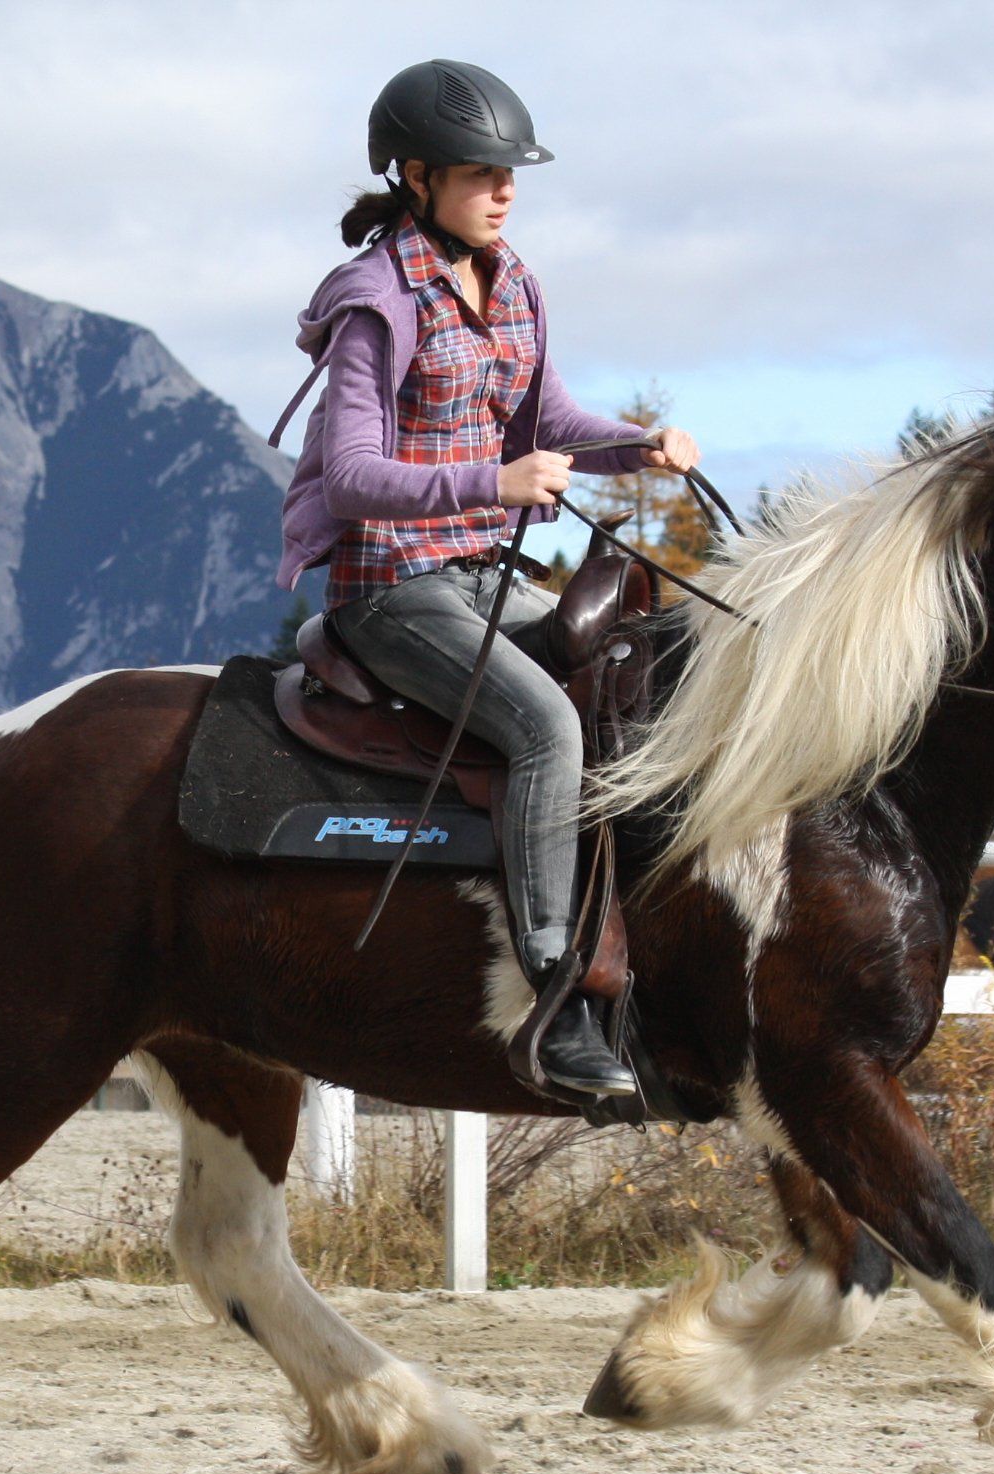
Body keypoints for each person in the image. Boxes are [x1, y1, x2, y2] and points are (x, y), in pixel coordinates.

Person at [273, 59, 700, 1100]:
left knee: (629, 681)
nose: (504, 189)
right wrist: (493, 477)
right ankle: (554, 998)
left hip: (482, 571)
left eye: (511, 172)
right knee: (546, 727)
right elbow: (357, 477)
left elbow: (552, 424)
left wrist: (635, 447)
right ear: (415, 177)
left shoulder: (511, 280)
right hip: (389, 586)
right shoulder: (376, 301)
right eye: (480, 172)